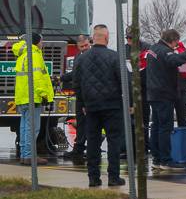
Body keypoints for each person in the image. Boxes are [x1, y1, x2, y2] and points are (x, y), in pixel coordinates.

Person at [72, 24, 125, 188]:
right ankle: (113, 177)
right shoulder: (115, 57)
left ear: (92, 39)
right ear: (107, 38)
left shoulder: (81, 58)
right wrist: (128, 103)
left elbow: (76, 83)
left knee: (93, 143)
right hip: (112, 106)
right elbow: (124, 80)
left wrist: (82, 103)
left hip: (91, 107)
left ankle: (93, 178)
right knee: (114, 142)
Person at [147, 29, 186, 170]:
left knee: (156, 127)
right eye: (176, 42)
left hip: (153, 94)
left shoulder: (153, 49)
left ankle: (157, 159)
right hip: (164, 94)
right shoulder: (165, 52)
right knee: (165, 128)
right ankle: (166, 160)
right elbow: (176, 60)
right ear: (173, 40)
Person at [13, 31, 54, 165]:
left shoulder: (22, 55)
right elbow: (37, 78)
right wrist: (43, 94)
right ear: (36, 42)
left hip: (23, 97)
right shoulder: (34, 55)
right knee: (33, 128)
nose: (42, 44)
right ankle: (30, 156)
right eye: (41, 41)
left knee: (25, 127)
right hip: (33, 97)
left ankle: (25, 155)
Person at [61, 33, 91, 164]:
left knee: (88, 123)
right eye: (81, 46)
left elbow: (79, 73)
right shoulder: (79, 55)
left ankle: (85, 149)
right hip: (80, 93)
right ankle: (78, 148)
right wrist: (62, 78)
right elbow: (76, 73)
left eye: (86, 45)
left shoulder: (91, 56)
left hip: (89, 94)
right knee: (81, 122)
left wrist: (63, 77)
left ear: (89, 42)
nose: (84, 47)